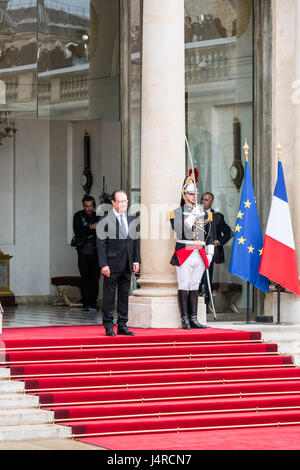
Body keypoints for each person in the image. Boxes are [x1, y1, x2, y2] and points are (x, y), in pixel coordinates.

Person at [169, 170, 214, 329]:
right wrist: (193, 215)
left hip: (199, 253)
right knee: (184, 285)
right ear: (184, 196)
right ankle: (185, 319)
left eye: (195, 193)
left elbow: (209, 233)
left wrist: (210, 253)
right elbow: (181, 231)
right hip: (184, 252)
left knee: (195, 285)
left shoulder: (202, 212)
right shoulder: (177, 212)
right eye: (190, 193)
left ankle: (194, 318)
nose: (194, 196)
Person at [96, 190, 140, 336]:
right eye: (121, 201)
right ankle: (108, 325)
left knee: (123, 295)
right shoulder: (105, 220)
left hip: (127, 263)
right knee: (109, 296)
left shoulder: (132, 219)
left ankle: (122, 324)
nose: (124, 204)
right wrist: (104, 264)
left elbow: (135, 242)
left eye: (126, 201)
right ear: (113, 203)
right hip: (111, 264)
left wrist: (136, 260)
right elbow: (101, 244)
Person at [200, 192, 233, 302]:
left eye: (206, 200)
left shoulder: (217, 216)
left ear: (212, 202)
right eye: (202, 199)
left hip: (211, 253)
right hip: (196, 251)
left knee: (207, 278)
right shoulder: (195, 214)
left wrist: (218, 242)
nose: (203, 201)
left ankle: (206, 306)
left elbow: (229, 232)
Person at [73, 195, 100, 312]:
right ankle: (86, 303)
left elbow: (102, 231)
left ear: (93, 206)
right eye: (86, 206)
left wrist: (90, 229)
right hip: (83, 252)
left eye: (90, 206)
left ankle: (93, 303)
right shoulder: (78, 216)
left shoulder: (98, 216)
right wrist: (91, 227)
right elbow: (78, 232)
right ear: (83, 206)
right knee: (85, 278)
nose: (88, 208)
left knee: (95, 278)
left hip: (96, 253)